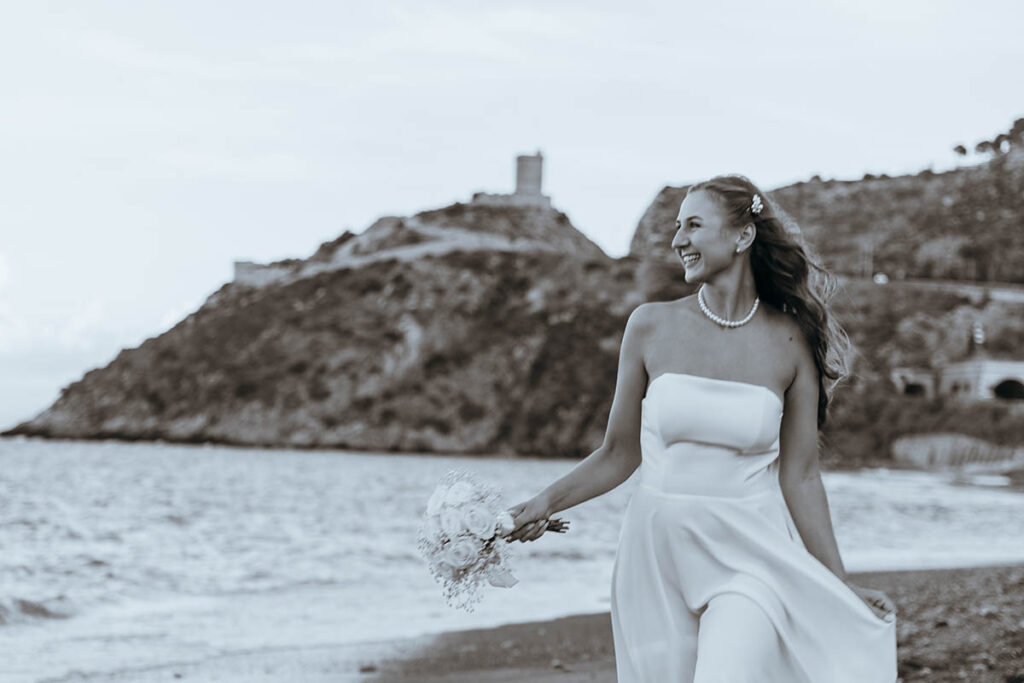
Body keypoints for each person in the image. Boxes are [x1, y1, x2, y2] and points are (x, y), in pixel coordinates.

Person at [507, 174, 898, 681]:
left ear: (742, 235)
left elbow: (801, 476)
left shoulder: (791, 341)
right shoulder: (650, 325)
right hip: (656, 556)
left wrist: (837, 582)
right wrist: (544, 502)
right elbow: (619, 454)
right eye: (677, 227)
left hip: (751, 556)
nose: (677, 241)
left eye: (693, 225)